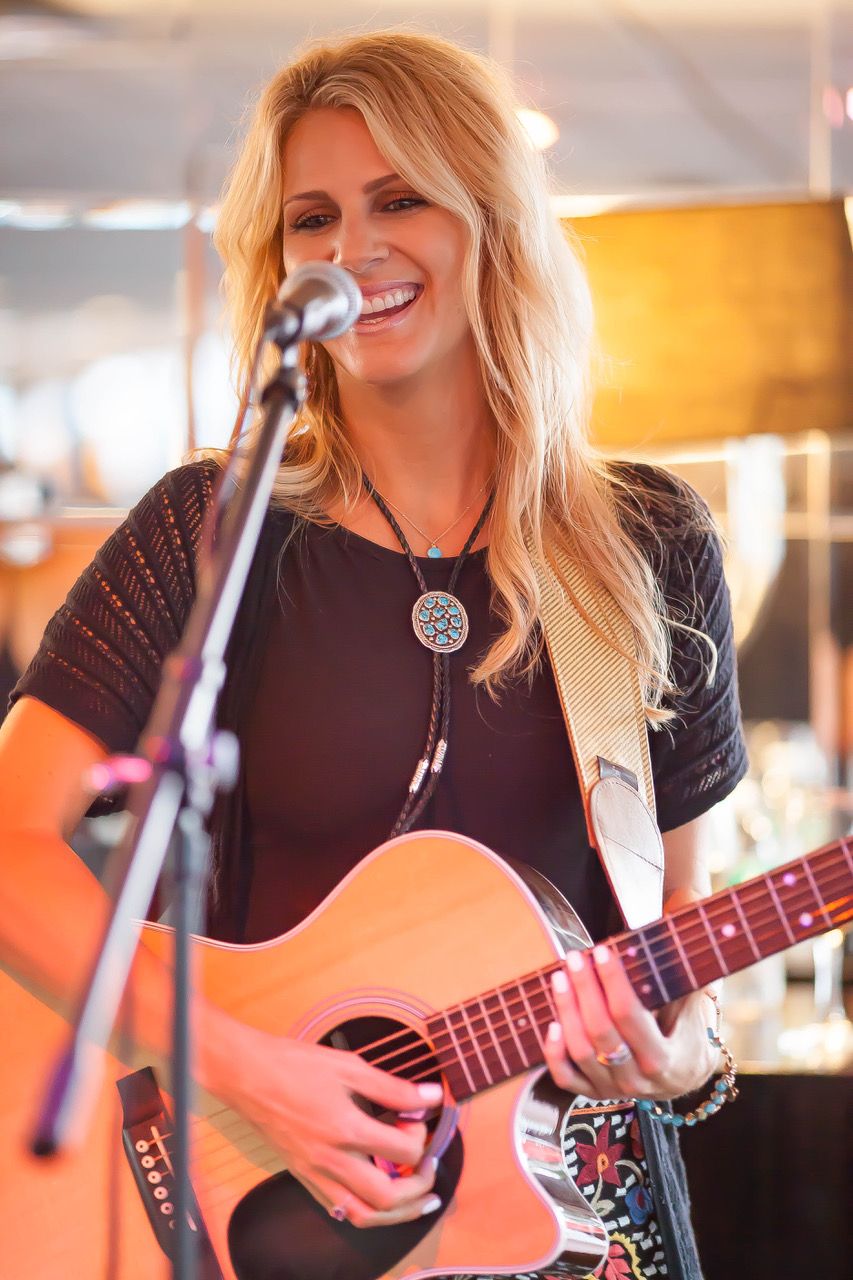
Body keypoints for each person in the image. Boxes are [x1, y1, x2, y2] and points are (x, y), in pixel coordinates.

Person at [0, 29, 747, 1280]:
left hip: (567, 1227)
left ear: (492, 222)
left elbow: (683, 934)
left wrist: (676, 1058)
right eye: (314, 219)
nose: (353, 249)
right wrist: (249, 1070)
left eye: (401, 199)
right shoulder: (209, 530)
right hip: (248, 1218)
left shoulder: (647, 541)